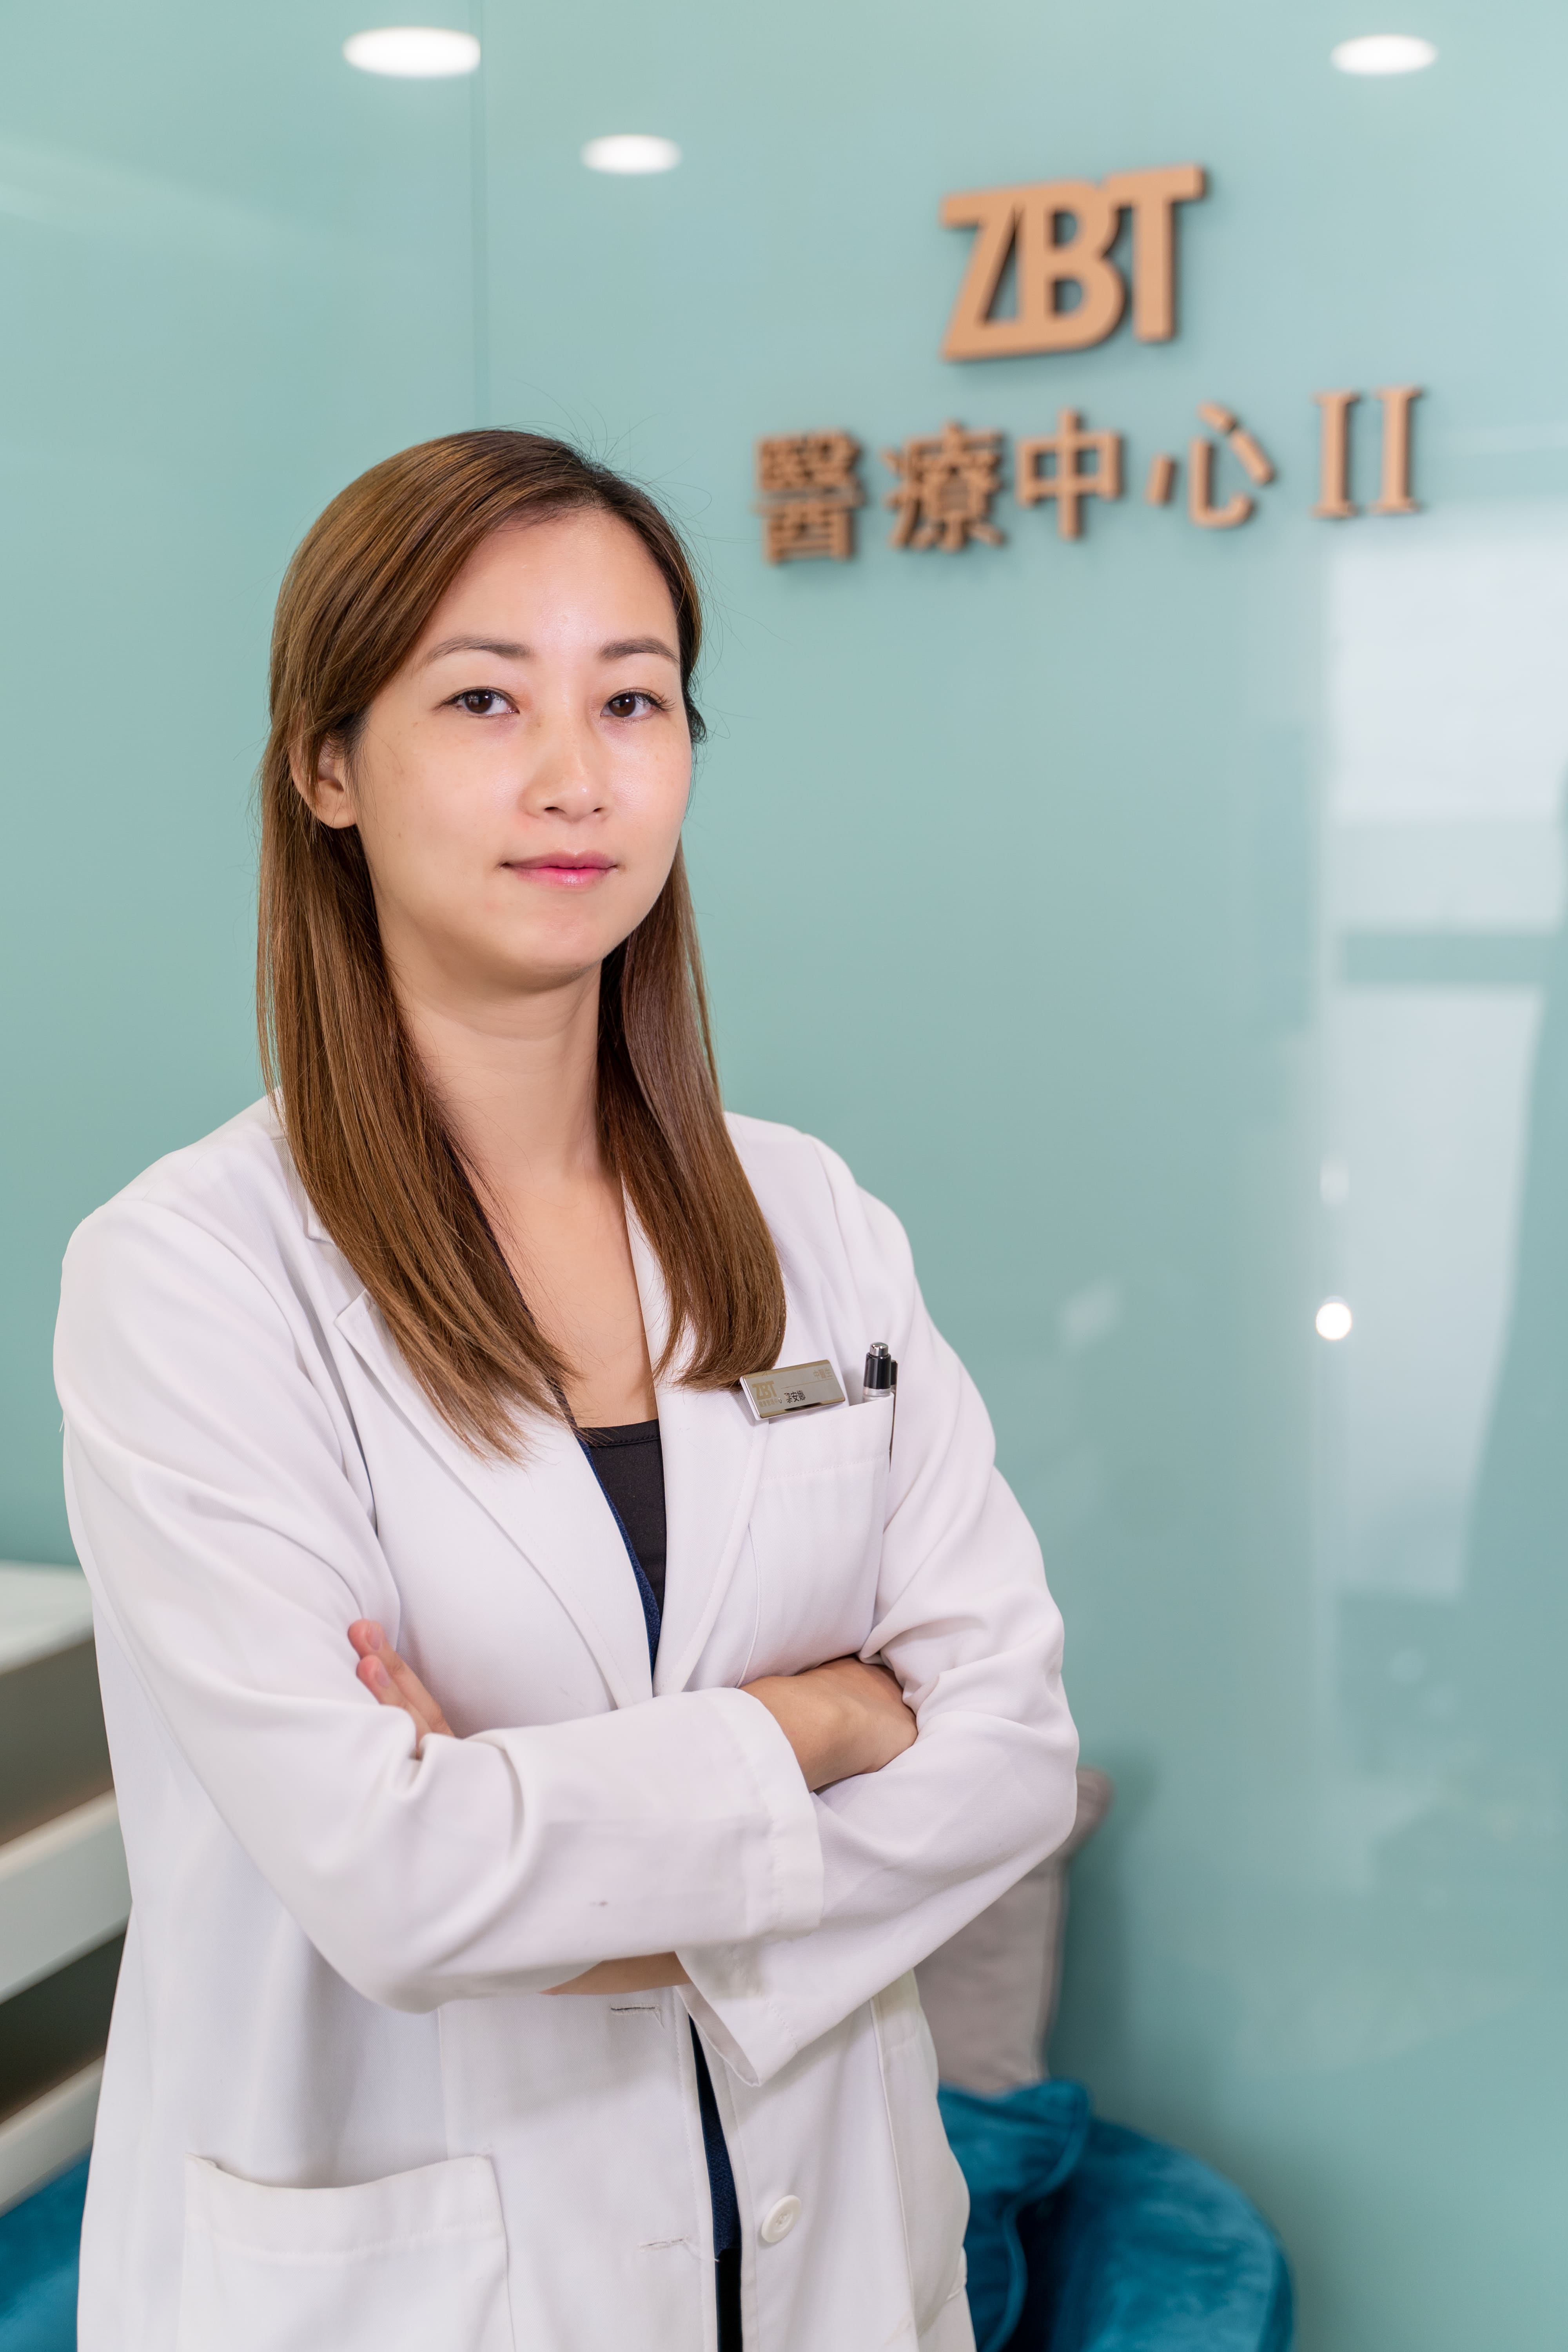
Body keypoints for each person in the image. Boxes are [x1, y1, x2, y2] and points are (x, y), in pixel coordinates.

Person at [53, 429, 1078, 2352]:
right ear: (328, 767)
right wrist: (820, 1719)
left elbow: (1010, 1756)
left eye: (632, 699)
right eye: (482, 699)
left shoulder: (814, 1219)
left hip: (836, 2260)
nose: (574, 776)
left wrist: (561, 1879)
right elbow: (400, 1889)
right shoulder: (189, 1278)